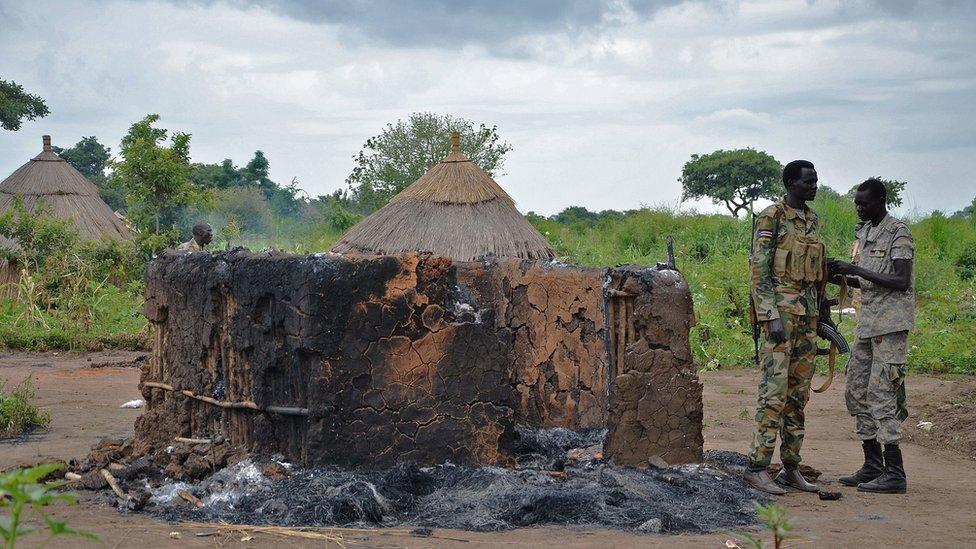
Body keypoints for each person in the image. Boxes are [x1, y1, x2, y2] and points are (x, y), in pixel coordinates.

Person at [745, 159, 827, 495]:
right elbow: (758, 270)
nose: (814, 186)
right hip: (780, 317)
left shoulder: (811, 219)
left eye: (815, 181)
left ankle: (790, 467)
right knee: (773, 394)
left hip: (806, 318)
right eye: (808, 182)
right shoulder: (772, 216)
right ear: (791, 183)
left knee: (798, 396)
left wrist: (822, 317)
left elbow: (816, 273)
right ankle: (757, 467)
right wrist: (770, 315)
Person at [829, 178, 914, 494]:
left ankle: (895, 472)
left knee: (881, 395)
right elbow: (866, 285)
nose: (859, 208)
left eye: (864, 203)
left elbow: (901, 280)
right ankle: (872, 464)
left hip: (889, 327)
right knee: (856, 390)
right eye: (857, 203)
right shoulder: (863, 233)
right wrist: (836, 277)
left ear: (881, 201)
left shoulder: (897, 232)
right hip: (867, 325)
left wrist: (858, 272)